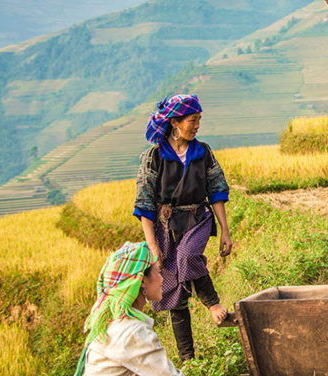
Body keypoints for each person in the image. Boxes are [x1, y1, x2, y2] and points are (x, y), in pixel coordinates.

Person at [134, 94, 232, 361]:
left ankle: (212, 304)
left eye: (199, 120)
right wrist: (152, 245)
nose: (197, 125)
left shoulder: (203, 152)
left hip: (197, 219)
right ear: (175, 122)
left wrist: (224, 230)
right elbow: (144, 203)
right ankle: (188, 358)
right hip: (165, 228)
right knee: (173, 290)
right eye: (193, 120)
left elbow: (217, 191)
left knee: (188, 256)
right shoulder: (153, 157)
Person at [74, 241, 183, 375]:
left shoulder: (112, 322)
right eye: (159, 273)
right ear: (142, 281)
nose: (162, 279)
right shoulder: (132, 331)